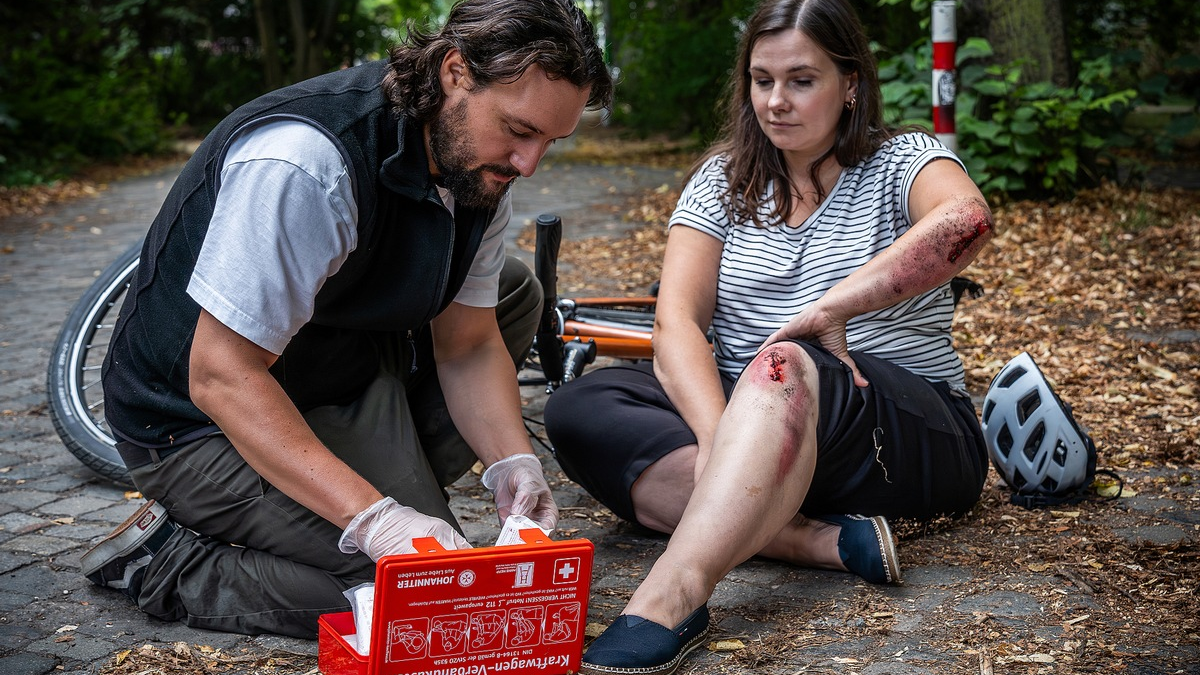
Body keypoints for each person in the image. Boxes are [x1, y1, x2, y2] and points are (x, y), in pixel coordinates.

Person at [79, 0, 612, 638]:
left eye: (550, 142)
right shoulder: (306, 164)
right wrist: (375, 520)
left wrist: (511, 462)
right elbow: (221, 376)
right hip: (196, 422)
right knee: (408, 593)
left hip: (331, 374)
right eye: (519, 130)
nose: (528, 163)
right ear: (454, 73)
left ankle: (342, 497)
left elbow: (468, 345)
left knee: (513, 291)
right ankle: (168, 560)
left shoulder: (477, 171)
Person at [542, 0, 993, 672]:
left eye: (801, 80)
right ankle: (811, 538)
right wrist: (718, 437)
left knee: (785, 361)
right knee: (579, 407)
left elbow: (967, 221)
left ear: (851, 84)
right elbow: (676, 323)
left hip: (898, 430)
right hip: (755, 419)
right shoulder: (723, 180)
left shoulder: (904, 160)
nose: (776, 101)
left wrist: (835, 307)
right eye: (762, 80)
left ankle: (674, 593)